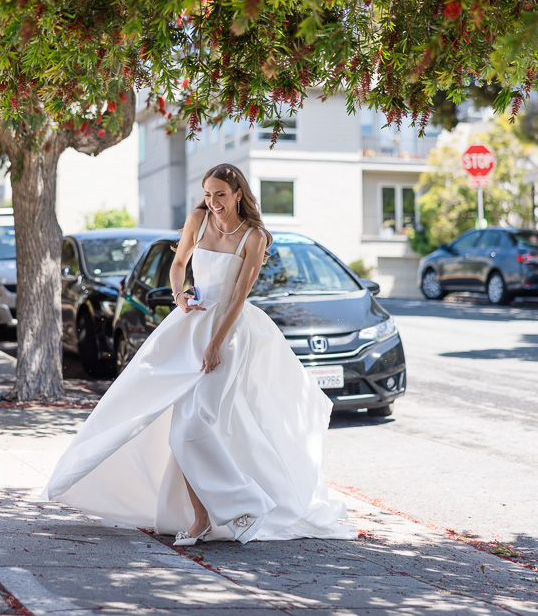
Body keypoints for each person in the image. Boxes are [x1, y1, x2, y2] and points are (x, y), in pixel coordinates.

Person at [45, 163, 356, 545]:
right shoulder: (198, 218)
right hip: (189, 329)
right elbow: (178, 266)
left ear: (238, 193)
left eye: (221, 195)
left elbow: (239, 297)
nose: (214, 203)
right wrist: (180, 295)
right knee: (182, 430)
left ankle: (241, 505)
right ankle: (205, 517)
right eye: (208, 195)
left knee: (197, 427)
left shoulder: (254, 237)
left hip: (229, 334)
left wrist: (215, 345)